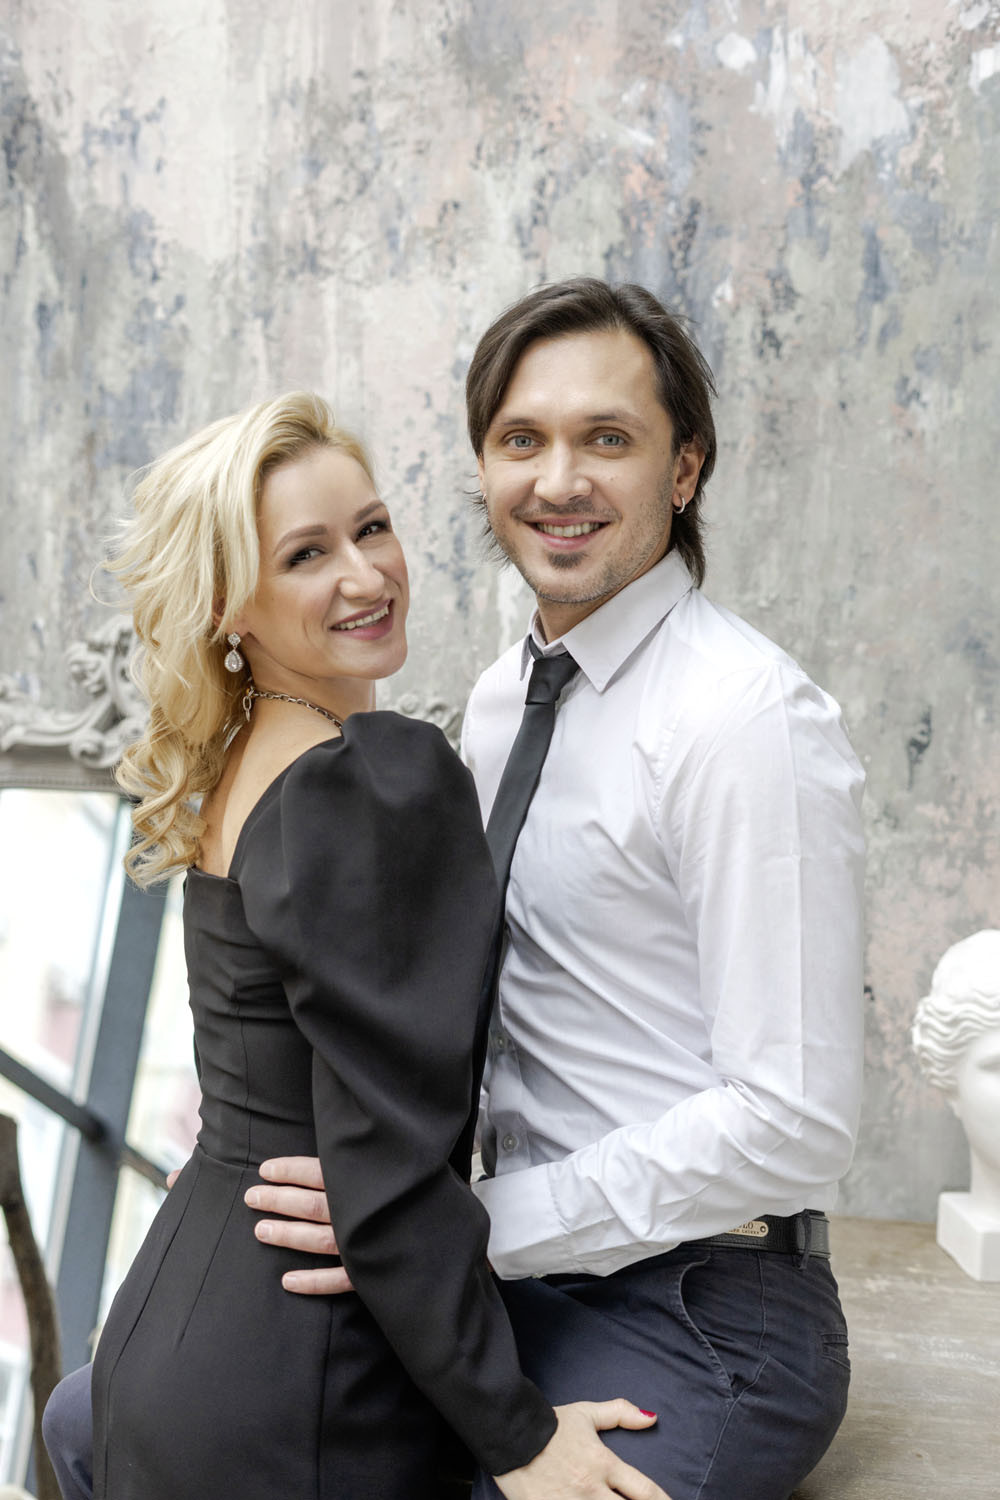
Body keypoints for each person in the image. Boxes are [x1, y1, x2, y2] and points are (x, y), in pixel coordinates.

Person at [46, 275, 866, 1499]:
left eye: (607, 439)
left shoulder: (743, 721)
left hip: (699, 1300)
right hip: (488, 1263)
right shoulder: (493, 701)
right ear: (482, 469)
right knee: (101, 1417)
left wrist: (465, 1224)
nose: (558, 480)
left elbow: (795, 1116)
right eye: (521, 440)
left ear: (684, 469)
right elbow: (387, 994)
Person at [42, 391, 667, 1500]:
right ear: (231, 604)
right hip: (301, 1381)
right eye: (306, 554)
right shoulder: (372, 774)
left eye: (371, 528)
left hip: (165, 1343)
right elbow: (388, 1161)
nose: (366, 575)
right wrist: (520, 1435)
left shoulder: (242, 756)